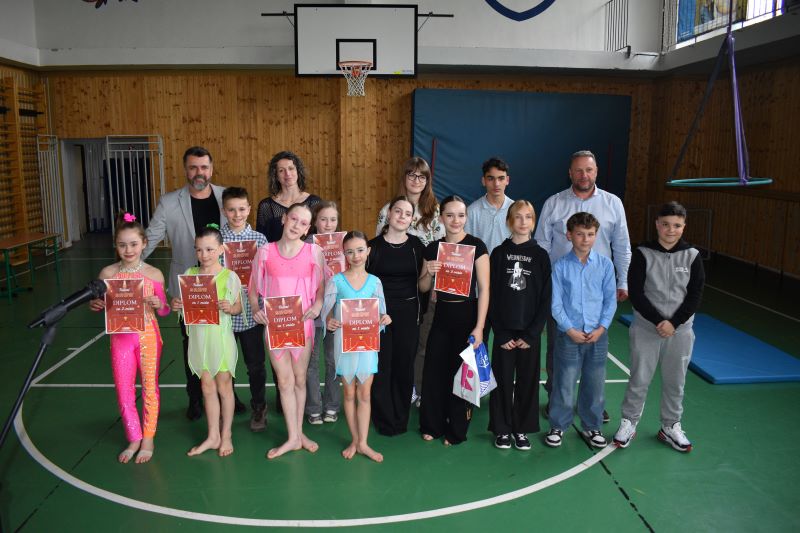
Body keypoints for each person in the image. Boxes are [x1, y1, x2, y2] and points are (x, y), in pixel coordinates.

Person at [143, 146, 246, 420]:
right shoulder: (169, 203)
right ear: (185, 169)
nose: (199, 172)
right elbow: (150, 237)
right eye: (193, 167)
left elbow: (240, 233)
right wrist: (127, 268)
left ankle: (229, 393)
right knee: (192, 343)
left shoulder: (225, 197)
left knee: (225, 342)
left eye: (204, 167)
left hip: (221, 285)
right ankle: (195, 397)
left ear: (211, 169)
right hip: (189, 289)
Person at [534, 150, 631, 423]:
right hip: (561, 291)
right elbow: (542, 245)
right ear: (570, 173)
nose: (583, 175)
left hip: (597, 294)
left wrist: (622, 280)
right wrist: (544, 285)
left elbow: (622, 245)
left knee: (595, 355)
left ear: (596, 171)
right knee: (557, 349)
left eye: (588, 170)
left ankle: (592, 405)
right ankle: (557, 401)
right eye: (578, 170)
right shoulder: (554, 203)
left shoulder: (613, 204)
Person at [613, 202, 705, 452]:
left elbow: (695, 295)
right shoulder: (642, 253)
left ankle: (670, 425)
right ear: (657, 224)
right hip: (646, 329)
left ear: (684, 226)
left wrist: (673, 323)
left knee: (676, 381)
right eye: (665, 224)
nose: (671, 230)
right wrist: (658, 321)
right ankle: (629, 422)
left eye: (676, 225)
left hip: (680, 331)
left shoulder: (692, 256)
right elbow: (637, 293)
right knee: (639, 378)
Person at [89, 213, 170, 464]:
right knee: (124, 390)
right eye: (122, 245)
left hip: (148, 337)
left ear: (144, 243)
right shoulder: (107, 273)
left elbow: (165, 309)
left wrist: (159, 304)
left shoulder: (154, 274)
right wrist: (96, 305)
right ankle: (134, 437)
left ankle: (148, 438)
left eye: (134, 244)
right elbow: (101, 303)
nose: (128, 250)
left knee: (149, 388)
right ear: (116, 245)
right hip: (120, 339)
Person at [249, 203, 325, 459]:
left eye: (303, 223)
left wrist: (317, 305)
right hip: (276, 326)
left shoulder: (314, 252)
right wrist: (256, 309)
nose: (297, 225)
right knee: (284, 381)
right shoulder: (265, 252)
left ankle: (299, 434)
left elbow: (321, 286)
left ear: (308, 228)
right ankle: (293, 437)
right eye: (294, 219)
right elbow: (253, 289)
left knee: (300, 379)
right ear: (284, 218)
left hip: (302, 325)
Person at [418, 195, 489, 446]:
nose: (455, 220)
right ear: (441, 218)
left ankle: (457, 429)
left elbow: (485, 289)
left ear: (466, 217)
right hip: (441, 315)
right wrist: (428, 272)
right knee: (434, 371)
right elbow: (423, 287)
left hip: (467, 316)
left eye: (460, 215)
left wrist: (479, 327)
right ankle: (432, 424)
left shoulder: (477, 246)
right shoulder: (433, 248)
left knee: (462, 375)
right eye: (449, 215)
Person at [375, 157, 444, 407]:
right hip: (397, 289)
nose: (416, 180)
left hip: (426, 283)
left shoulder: (435, 211)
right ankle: (395, 389)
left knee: (422, 340)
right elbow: (378, 250)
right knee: (394, 343)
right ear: (404, 178)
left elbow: (442, 250)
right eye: (411, 175)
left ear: (427, 181)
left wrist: (436, 286)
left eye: (422, 176)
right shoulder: (387, 209)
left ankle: (417, 386)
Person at [544, 212, 617, 449]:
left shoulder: (605, 265)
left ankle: (592, 426)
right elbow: (555, 304)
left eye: (590, 234)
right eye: (580, 234)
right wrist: (569, 329)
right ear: (569, 235)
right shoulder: (560, 267)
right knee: (563, 383)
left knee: (595, 384)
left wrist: (602, 327)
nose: (585, 239)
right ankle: (558, 425)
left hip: (598, 336)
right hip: (569, 336)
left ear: (596, 235)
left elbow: (610, 300)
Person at [172, 225, 242, 457]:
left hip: (220, 339)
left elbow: (238, 307)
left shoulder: (229, 276)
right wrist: (177, 304)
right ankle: (213, 436)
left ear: (221, 249)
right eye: (199, 250)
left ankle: (226, 434)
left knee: (224, 387)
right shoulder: (190, 274)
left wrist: (230, 308)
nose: (204, 255)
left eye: (210, 249)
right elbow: (185, 305)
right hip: (199, 339)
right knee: (206, 387)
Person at [322, 231, 392, 462]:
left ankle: (363, 443)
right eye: (350, 252)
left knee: (364, 393)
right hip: (345, 344)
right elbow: (327, 312)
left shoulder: (375, 282)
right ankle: (355, 440)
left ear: (368, 251)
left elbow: (381, 312)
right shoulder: (336, 281)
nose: (356, 256)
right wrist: (329, 321)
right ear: (344, 254)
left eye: (360, 250)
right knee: (349, 393)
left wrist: (384, 318)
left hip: (367, 345)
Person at [487, 200, 551, 451]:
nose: (523, 222)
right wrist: (501, 332)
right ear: (509, 222)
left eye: (528, 217)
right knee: (502, 380)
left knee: (528, 381)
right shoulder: (499, 254)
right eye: (518, 217)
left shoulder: (541, 256)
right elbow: (491, 295)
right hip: (504, 332)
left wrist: (532, 334)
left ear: (534, 222)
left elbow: (545, 298)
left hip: (528, 333)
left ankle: (521, 428)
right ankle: (502, 428)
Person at [368, 196, 425, 436]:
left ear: (412, 219)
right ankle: (383, 418)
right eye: (398, 211)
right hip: (379, 314)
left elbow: (423, 284)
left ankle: (401, 418)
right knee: (382, 367)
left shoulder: (417, 246)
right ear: (389, 214)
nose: (402, 216)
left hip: (408, 314)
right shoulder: (372, 246)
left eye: (407, 213)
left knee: (403, 366)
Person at [219, 187, 270, 432]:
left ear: (249, 209)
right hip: (224, 314)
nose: (237, 214)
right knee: (225, 365)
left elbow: (267, 276)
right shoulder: (217, 240)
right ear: (224, 211)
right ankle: (228, 404)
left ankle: (259, 406)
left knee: (255, 365)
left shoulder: (260, 240)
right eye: (231, 210)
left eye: (241, 209)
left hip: (251, 314)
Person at [304, 200, 343, 425]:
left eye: (333, 219)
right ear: (315, 222)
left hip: (335, 311)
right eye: (323, 219)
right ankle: (313, 407)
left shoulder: (343, 244)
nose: (328, 224)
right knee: (311, 362)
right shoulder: (305, 246)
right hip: (312, 311)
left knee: (332, 360)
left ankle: (331, 405)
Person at [256, 150, 322, 242]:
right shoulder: (266, 206)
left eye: (291, 168)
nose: (287, 174)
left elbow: (320, 237)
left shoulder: (315, 202)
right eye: (281, 170)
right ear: (276, 176)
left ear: (298, 171)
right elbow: (261, 241)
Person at [464, 157, 514, 254]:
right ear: (483, 181)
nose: (496, 184)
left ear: (507, 180)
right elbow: (467, 249)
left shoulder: (516, 210)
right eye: (491, 178)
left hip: (509, 263)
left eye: (501, 178)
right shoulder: (472, 211)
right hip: (479, 264)